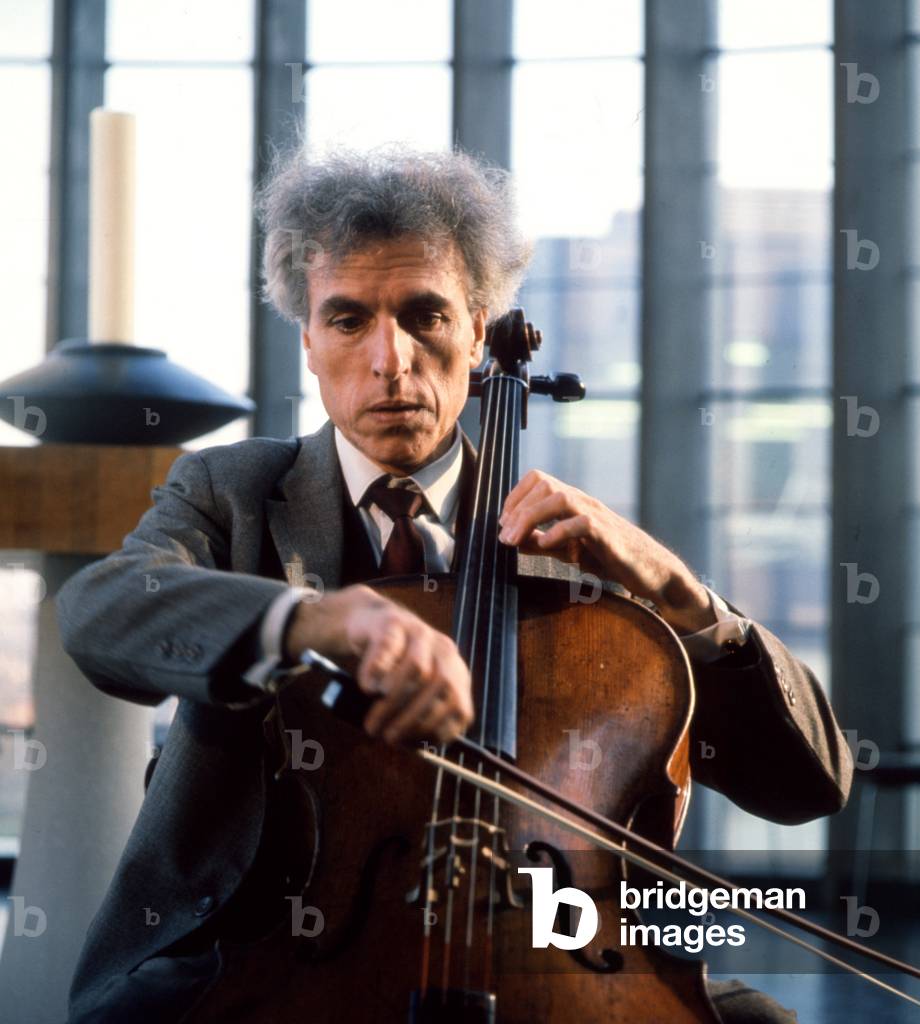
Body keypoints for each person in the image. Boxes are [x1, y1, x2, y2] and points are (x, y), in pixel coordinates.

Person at [56, 144, 852, 1023]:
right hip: (254, 947)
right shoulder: (229, 493)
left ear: (478, 332)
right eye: (350, 319)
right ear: (310, 343)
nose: (390, 359)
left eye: (425, 315)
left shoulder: (574, 554)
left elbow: (808, 785)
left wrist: (682, 594)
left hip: (547, 947)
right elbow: (104, 612)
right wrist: (307, 622)